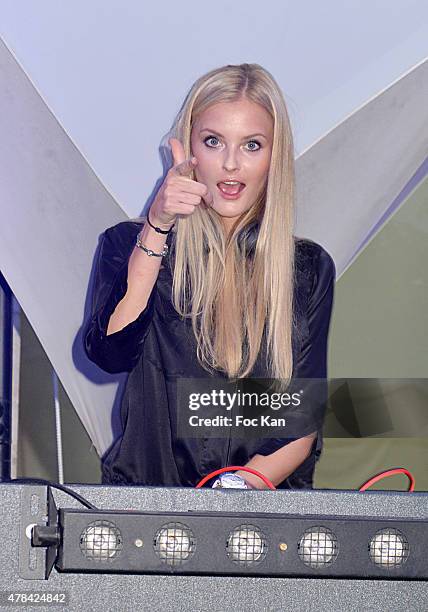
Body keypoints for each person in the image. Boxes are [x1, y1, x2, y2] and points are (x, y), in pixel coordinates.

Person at [84, 63, 336, 490]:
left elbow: (302, 418)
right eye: (214, 141)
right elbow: (109, 352)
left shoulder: (306, 268)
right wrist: (157, 226)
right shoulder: (128, 243)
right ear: (189, 149)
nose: (232, 164)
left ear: (275, 157)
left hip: (260, 518)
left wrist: (239, 490)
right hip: (146, 506)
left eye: (252, 145)